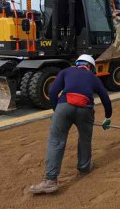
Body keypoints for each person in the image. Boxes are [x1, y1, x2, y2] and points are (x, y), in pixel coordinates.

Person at [30, 54, 112, 194]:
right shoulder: (94, 78)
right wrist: (107, 117)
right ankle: (84, 166)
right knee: (85, 139)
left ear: (77, 63)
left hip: (64, 107)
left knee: (56, 141)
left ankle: (50, 181)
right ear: (91, 68)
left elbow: (53, 91)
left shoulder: (65, 72)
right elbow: (105, 98)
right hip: (85, 109)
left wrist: (57, 110)